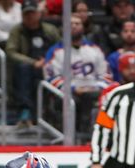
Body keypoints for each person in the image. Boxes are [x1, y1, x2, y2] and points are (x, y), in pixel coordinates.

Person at [44, 14, 110, 142]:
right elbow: (51, 77)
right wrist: (73, 88)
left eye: (77, 23)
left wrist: (95, 87)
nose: (73, 26)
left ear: (83, 27)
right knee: (73, 102)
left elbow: (106, 75)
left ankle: (96, 138)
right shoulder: (55, 51)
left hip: (93, 90)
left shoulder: (95, 49)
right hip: (67, 93)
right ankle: (73, 138)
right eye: (70, 24)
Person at [6, 0, 60, 127]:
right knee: (23, 69)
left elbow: (60, 48)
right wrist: (33, 62)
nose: (30, 17)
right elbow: (11, 51)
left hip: (49, 67)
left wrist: (47, 62)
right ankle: (25, 111)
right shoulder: (17, 31)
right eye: (26, 14)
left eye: (32, 13)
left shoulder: (50, 30)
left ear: (38, 14)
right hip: (27, 67)